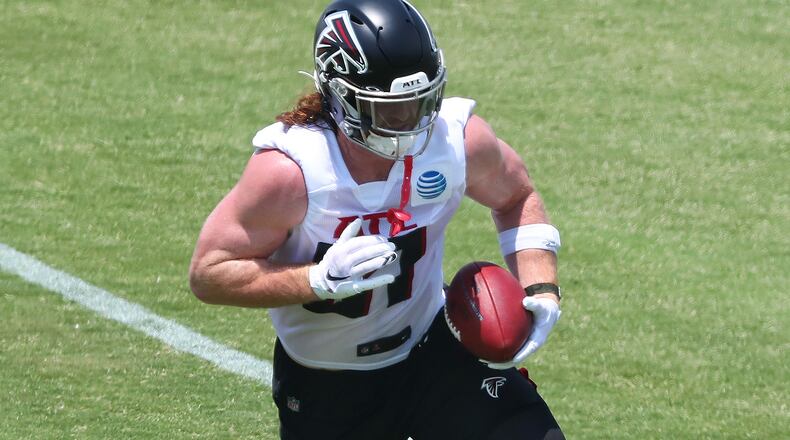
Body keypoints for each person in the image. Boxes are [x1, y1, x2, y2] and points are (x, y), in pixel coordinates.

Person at [189, 1, 565, 438]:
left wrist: (540, 287)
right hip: (329, 383)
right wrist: (317, 280)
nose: (410, 122)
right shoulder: (291, 173)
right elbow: (209, 274)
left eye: (420, 101)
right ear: (339, 95)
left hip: (434, 350)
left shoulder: (457, 140)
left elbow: (517, 196)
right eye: (389, 109)